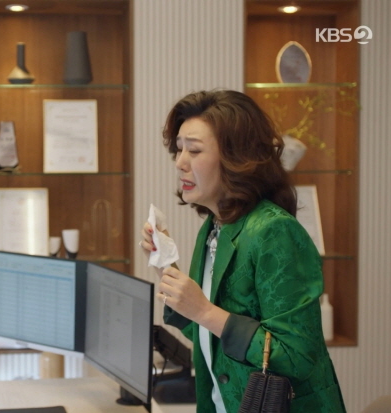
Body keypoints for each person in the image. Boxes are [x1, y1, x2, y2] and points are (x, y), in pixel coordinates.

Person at [139, 90, 346, 412]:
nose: (180, 163)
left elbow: (297, 357)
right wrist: (164, 265)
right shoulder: (215, 227)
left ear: (236, 158)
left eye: (194, 150)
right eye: (178, 149)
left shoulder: (274, 231)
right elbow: (208, 334)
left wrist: (204, 311)